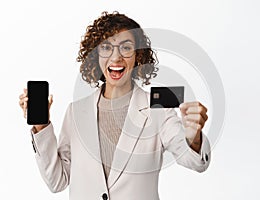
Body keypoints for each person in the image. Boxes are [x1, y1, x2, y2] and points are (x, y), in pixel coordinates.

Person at [19, 11, 211, 200]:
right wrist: (41, 126)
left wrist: (193, 137)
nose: (116, 57)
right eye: (106, 48)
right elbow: (57, 181)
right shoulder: (76, 111)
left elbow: (196, 162)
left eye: (126, 48)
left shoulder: (158, 106)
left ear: (138, 56)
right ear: (96, 55)